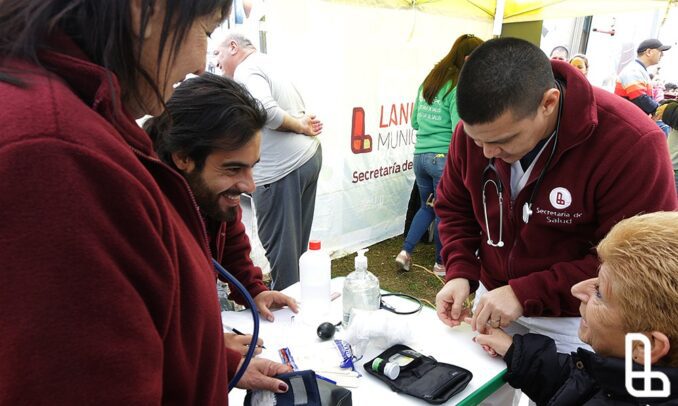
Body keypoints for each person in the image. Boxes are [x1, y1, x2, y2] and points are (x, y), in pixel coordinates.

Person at [0, 1, 291, 403]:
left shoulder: (72, 125)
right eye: (205, 32)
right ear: (145, 9)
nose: (198, 64)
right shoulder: (58, 154)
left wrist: (214, 361)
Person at [434, 37, 676, 354]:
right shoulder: (480, 132)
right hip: (493, 301)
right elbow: (455, 206)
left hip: (580, 319)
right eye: (476, 139)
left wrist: (525, 292)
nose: (488, 152)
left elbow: (637, 264)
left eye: (504, 140)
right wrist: (461, 271)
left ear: (549, 103)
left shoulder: (631, 143)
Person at [144, 73, 300, 356]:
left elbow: (230, 242)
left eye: (251, 166)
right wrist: (209, 350)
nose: (249, 185)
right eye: (233, 169)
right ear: (183, 157)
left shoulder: (206, 192)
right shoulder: (143, 213)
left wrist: (255, 291)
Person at [472, 212, 678, 405]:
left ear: (645, 346)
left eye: (599, 292)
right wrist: (516, 351)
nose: (577, 289)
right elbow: (583, 389)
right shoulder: (629, 382)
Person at [215, 32, 323, 291]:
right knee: (295, 249)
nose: (216, 64)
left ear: (233, 47)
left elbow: (265, 110)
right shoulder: (266, 62)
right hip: (305, 159)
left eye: (217, 54)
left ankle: (287, 315)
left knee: (284, 257)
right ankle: (298, 299)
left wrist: (299, 126)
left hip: (281, 170)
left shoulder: (245, 69)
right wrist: (301, 125)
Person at [396, 34, 484, 276]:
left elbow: (415, 121)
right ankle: (440, 263)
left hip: (420, 156)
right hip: (442, 159)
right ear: (468, 58)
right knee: (445, 210)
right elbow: (460, 129)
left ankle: (405, 252)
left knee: (428, 207)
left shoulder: (429, 82)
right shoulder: (457, 87)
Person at [614, 38, 671, 116]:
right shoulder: (633, 70)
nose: (662, 55)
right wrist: (660, 111)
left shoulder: (638, 69)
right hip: (626, 119)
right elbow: (640, 98)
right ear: (649, 52)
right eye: (660, 51)